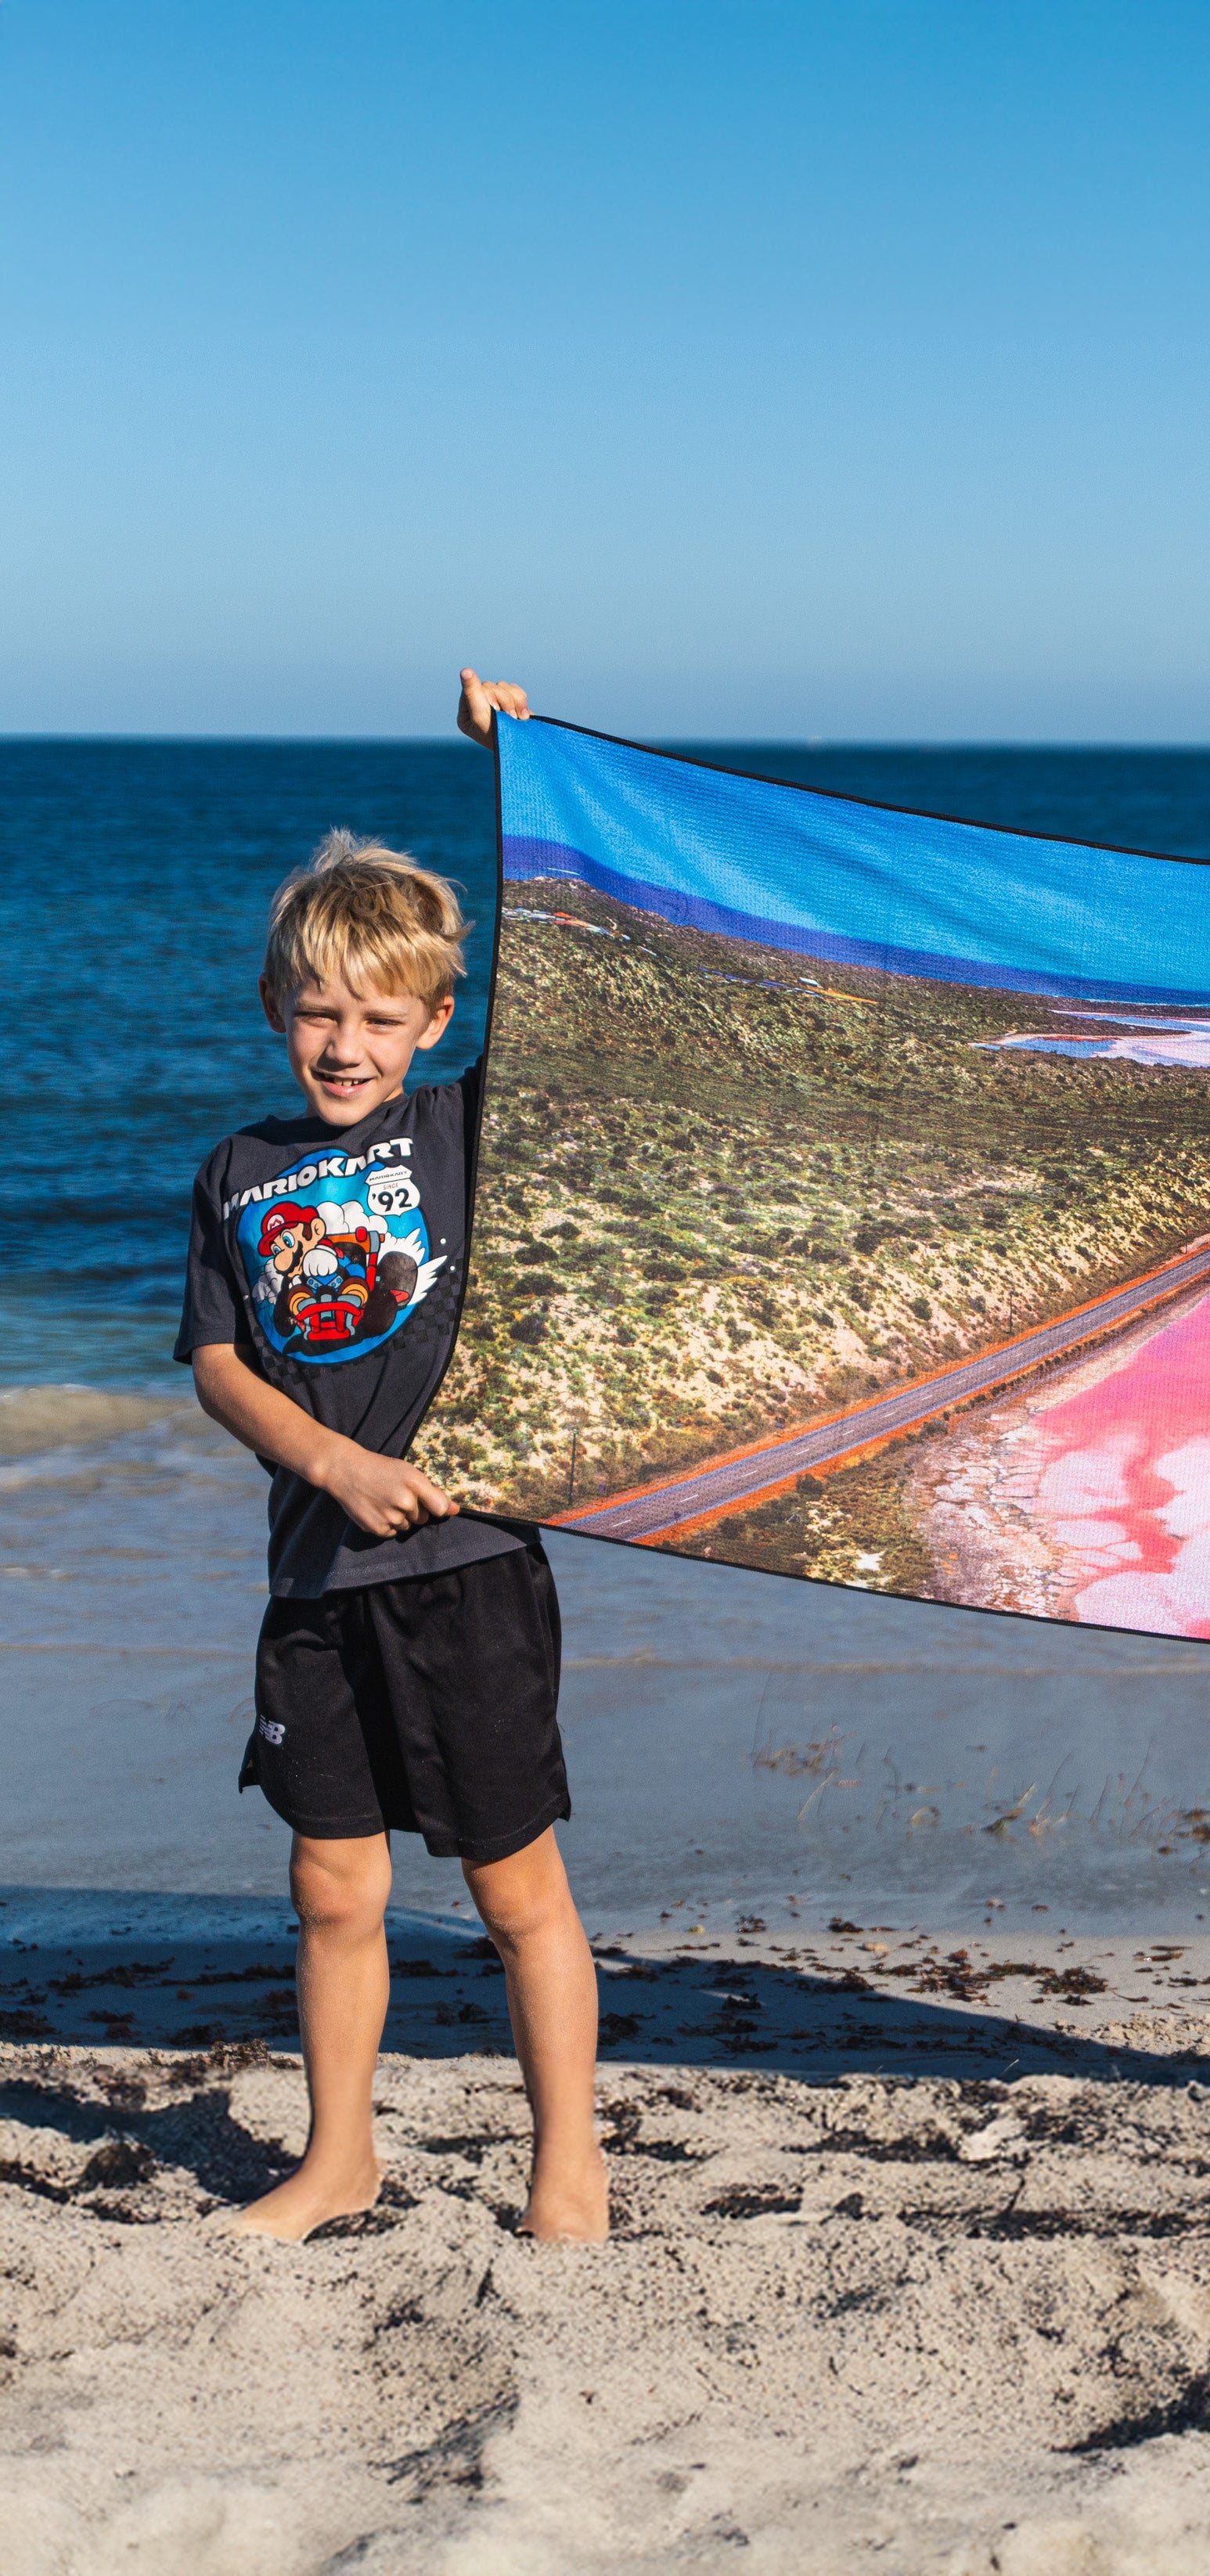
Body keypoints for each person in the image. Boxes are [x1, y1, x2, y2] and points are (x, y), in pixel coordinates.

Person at [179, 669, 608, 2241]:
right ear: (279, 1007)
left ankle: (568, 2163)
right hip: (317, 1578)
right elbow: (222, 1361)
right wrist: (329, 1466)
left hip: (470, 1572)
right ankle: (337, 2153)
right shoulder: (239, 1170)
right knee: (333, 1888)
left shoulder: (462, 1133)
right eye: (318, 1009)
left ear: (432, 1022)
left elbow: (576, 975)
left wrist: (523, 764)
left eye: (379, 1015)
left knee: (513, 1891)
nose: (343, 1042)